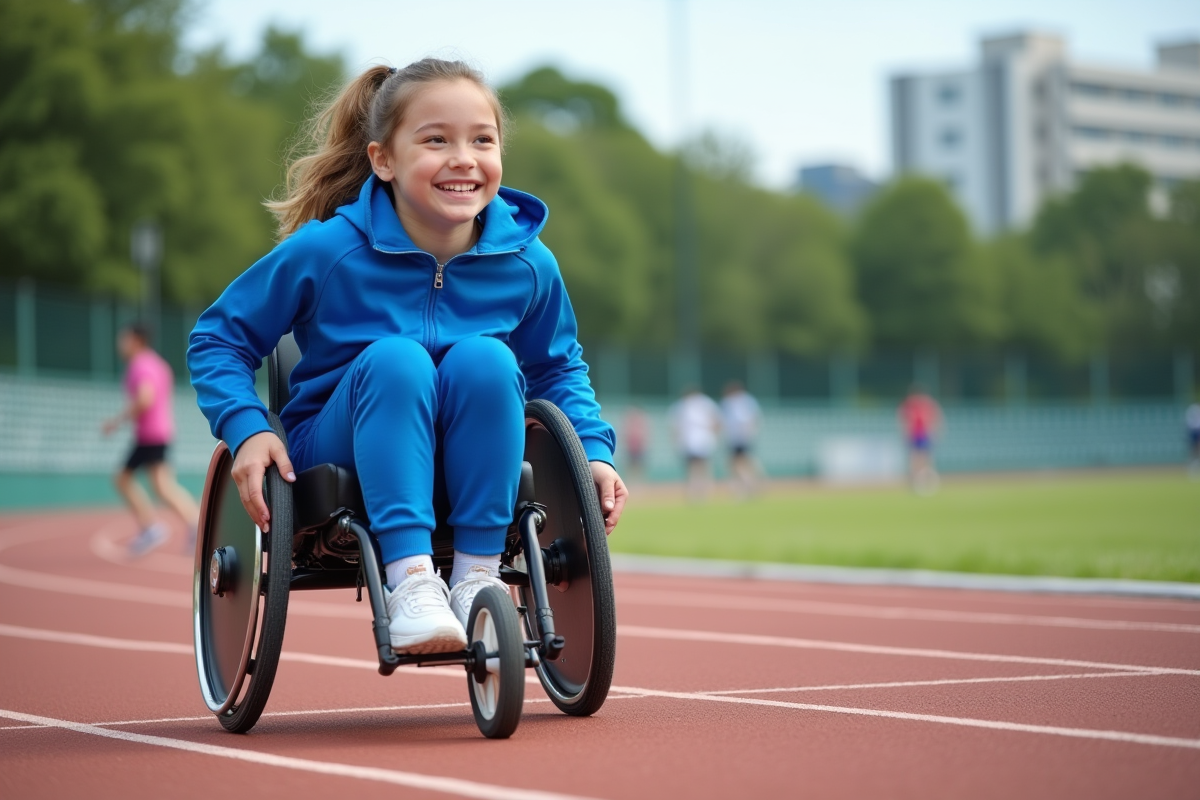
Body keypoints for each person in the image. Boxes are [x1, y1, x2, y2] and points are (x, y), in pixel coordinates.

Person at [188, 60, 627, 656]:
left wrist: (593, 452)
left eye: (482, 140)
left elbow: (557, 368)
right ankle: (412, 582)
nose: (464, 158)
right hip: (336, 448)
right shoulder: (329, 250)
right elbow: (218, 337)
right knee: (399, 360)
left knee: (488, 361)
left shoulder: (528, 264)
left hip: (472, 450)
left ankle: (476, 579)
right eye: (436, 140)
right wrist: (248, 429)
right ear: (383, 161)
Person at [102, 323, 199, 556]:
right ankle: (193, 526)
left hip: (150, 435)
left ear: (137, 340)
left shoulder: (140, 364)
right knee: (162, 486)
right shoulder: (158, 364)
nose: (120, 344)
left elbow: (146, 398)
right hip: (159, 432)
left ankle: (154, 528)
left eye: (124, 339)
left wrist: (116, 421)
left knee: (124, 479)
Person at [669, 386, 721, 501]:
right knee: (698, 468)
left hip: (698, 441)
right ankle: (698, 492)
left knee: (697, 468)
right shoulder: (687, 405)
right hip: (695, 442)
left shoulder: (699, 403)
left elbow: (675, 427)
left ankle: (699, 492)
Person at [898, 384, 943, 495]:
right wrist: (905, 432)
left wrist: (936, 431)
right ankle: (915, 482)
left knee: (925, 459)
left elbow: (937, 417)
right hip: (914, 435)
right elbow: (903, 418)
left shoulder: (927, 403)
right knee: (915, 459)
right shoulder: (909, 405)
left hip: (924, 434)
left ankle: (925, 481)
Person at [720, 381, 761, 499]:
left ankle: (749, 485)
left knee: (738, 463)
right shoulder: (730, 402)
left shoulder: (743, 401)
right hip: (735, 438)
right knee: (739, 463)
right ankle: (749, 485)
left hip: (740, 437)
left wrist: (749, 432)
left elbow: (751, 419)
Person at [620, 406, 649, 484]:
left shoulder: (641, 422)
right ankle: (631, 481)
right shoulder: (628, 423)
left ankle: (639, 482)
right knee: (630, 466)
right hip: (631, 448)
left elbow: (644, 434)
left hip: (639, 447)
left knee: (639, 466)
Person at [1187, 402, 1200, 478]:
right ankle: (1192, 467)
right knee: (1193, 451)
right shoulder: (1193, 409)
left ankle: (1195, 465)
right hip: (1194, 432)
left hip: (1196, 431)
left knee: (1196, 450)